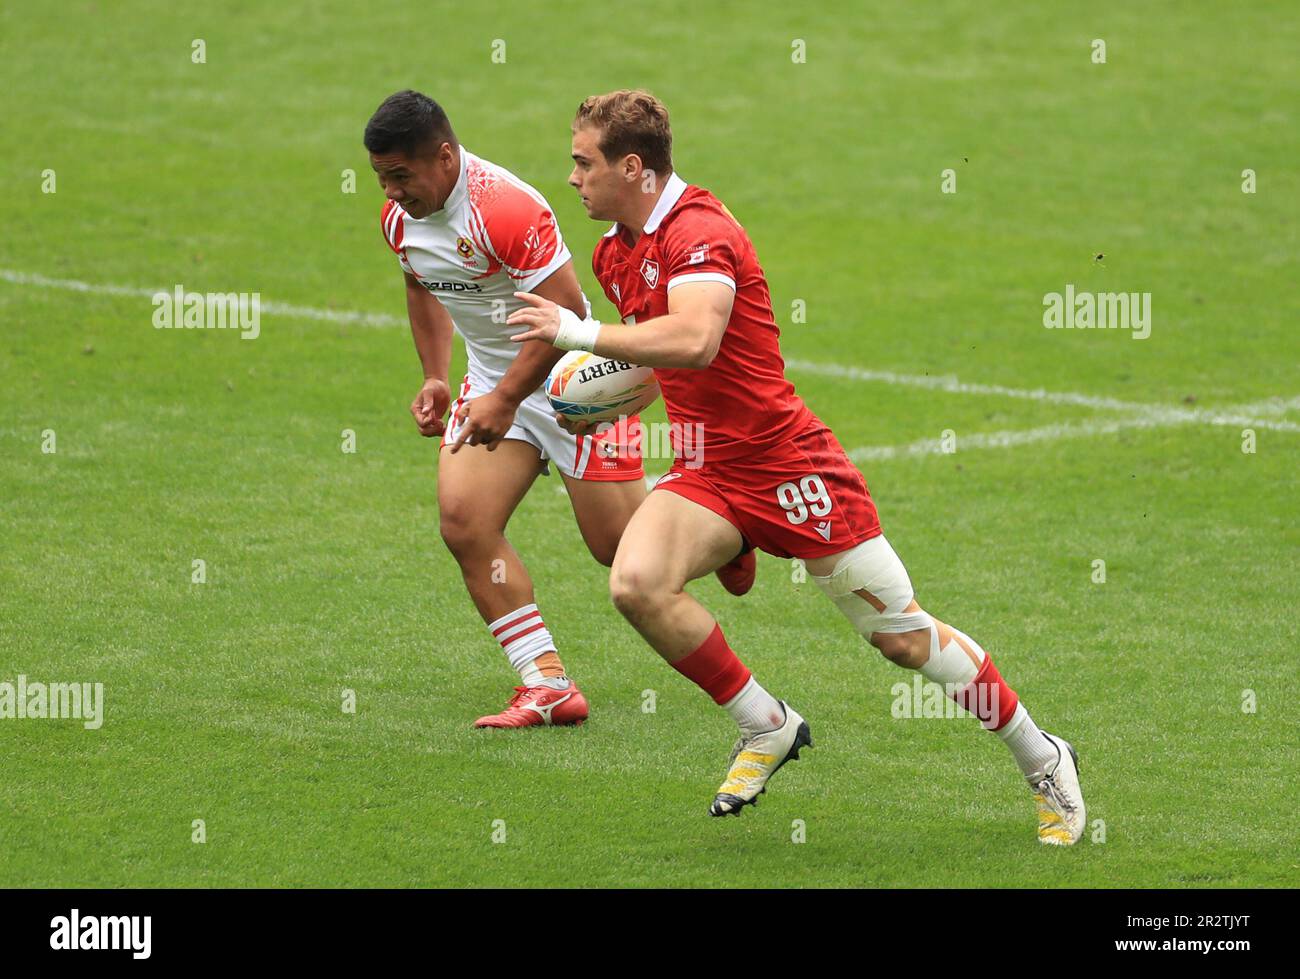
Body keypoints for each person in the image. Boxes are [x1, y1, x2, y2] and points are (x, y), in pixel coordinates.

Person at [506, 90, 1085, 843]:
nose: (572, 177)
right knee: (636, 582)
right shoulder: (618, 249)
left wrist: (577, 333)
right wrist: (599, 399)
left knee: (902, 638)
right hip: (708, 468)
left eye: (583, 162)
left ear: (633, 167)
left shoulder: (700, 232)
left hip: (789, 465)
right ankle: (766, 724)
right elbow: (660, 364)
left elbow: (698, 339)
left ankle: (1043, 757)